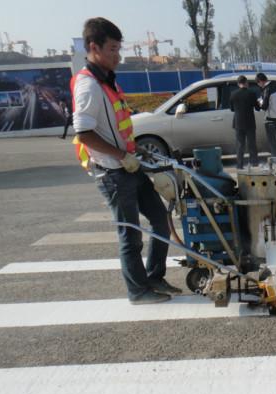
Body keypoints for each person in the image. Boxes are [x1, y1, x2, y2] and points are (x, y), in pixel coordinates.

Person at [71, 17, 180, 305]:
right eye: (112, 49)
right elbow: (83, 133)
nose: (117, 56)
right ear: (93, 47)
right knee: (130, 235)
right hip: (112, 172)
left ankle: (154, 277)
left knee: (159, 220)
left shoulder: (106, 81)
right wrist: (121, 156)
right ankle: (138, 291)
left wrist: (136, 152)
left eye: (119, 49)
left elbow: (117, 127)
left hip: (130, 166)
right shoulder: (89, 86)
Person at [229, 75, 259, 169]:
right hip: (250, 122)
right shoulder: (251, 93)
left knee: (240, 145)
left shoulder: (233, 94)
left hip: (238, 123)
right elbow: (257, 108)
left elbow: (232, 109)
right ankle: (254, 164)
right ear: (246, 83)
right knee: (252, 144)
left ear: (238, 84)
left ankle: (240, 165)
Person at [255, 72, 276, 158]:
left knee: (273, 141)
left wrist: (259, 102)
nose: (259, 86)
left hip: (270, 118)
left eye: (258, 84)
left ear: (261, 81)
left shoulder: (267, 89)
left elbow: (264, 106)